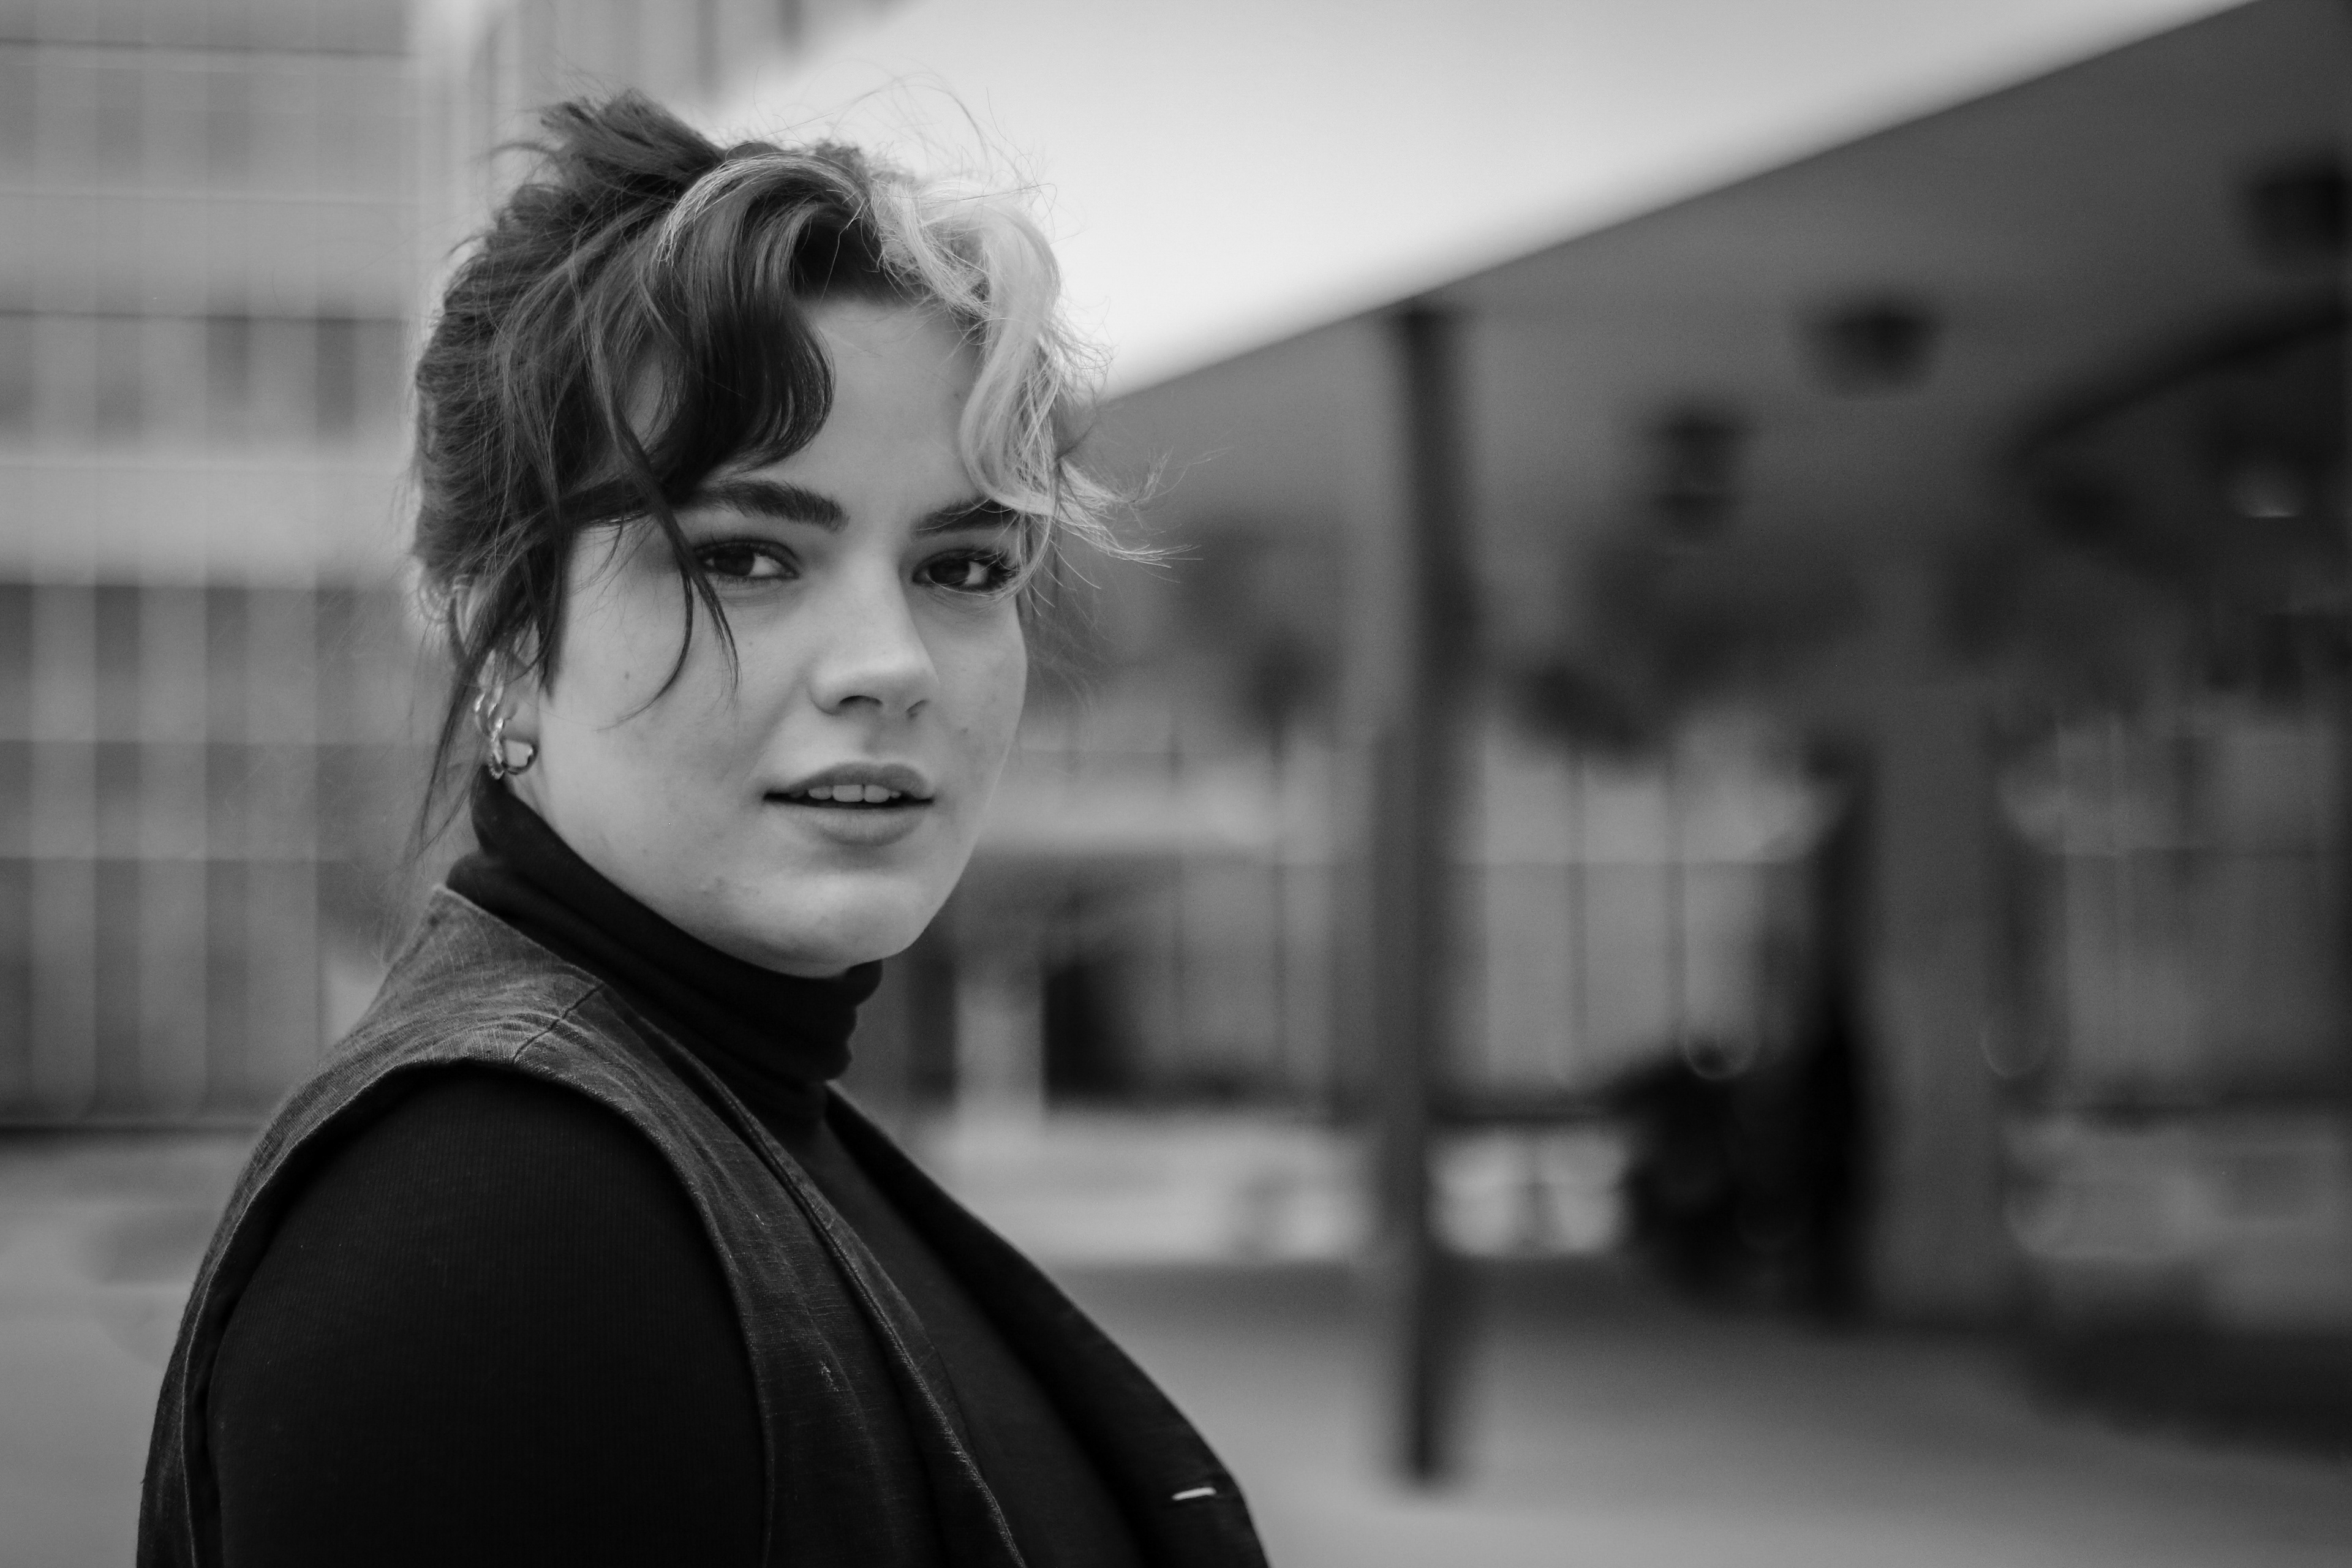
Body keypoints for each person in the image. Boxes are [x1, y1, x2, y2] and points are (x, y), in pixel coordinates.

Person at [139, 94, 1267, 1568]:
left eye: (961, 565)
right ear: (503, 629)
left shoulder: (710, 1126)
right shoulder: (497, 1219)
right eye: (744, 554)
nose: (892, 665)